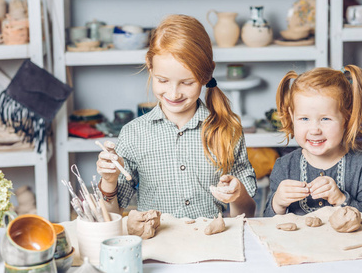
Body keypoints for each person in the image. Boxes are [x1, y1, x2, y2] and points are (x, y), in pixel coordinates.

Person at [96, 14, 257, 219]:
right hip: (155, 247)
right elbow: (110, 216)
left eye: (187, 83)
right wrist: (109, 181)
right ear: (150, 66)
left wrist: (237, 194)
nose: (173, 94)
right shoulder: (133, 134)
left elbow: (247, 213)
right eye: (162, 81)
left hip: (209, 245)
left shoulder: (227, 130)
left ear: (206, 75)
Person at [264, 65, 362, 216]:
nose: (315, 130)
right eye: (304, 118)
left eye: (325, 119)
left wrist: (341, 199)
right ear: (291, 116)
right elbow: (267, 222)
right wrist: (278, 203)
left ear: (347, 118)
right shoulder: (284, 166)